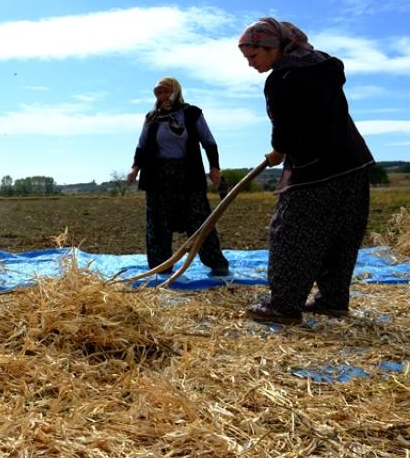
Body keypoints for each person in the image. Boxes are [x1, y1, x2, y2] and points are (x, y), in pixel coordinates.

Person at [238, 18, 375, 324]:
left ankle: (284, 306)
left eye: (253, 56)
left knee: (291, 234)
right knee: (341, 235)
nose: (250, 64)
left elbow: (284, 128)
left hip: (315, 169)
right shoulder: (323, 66)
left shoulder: (283, 79)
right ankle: (333, 300)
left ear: (273, 48)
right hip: (354, 162)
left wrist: (277, 151)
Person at [127, 76, 231, 277]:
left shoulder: (191, 114)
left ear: (175, 92)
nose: (162, 96)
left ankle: (216, 262)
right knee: (157, 224)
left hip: (187, 175)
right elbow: (141, 145)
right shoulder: (151, 118)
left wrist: (215, 168)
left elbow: (209, 142)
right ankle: (161, 266)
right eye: (158, 93)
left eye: (166, 91)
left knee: (199, 220)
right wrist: (135, 168)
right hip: (158, 177)